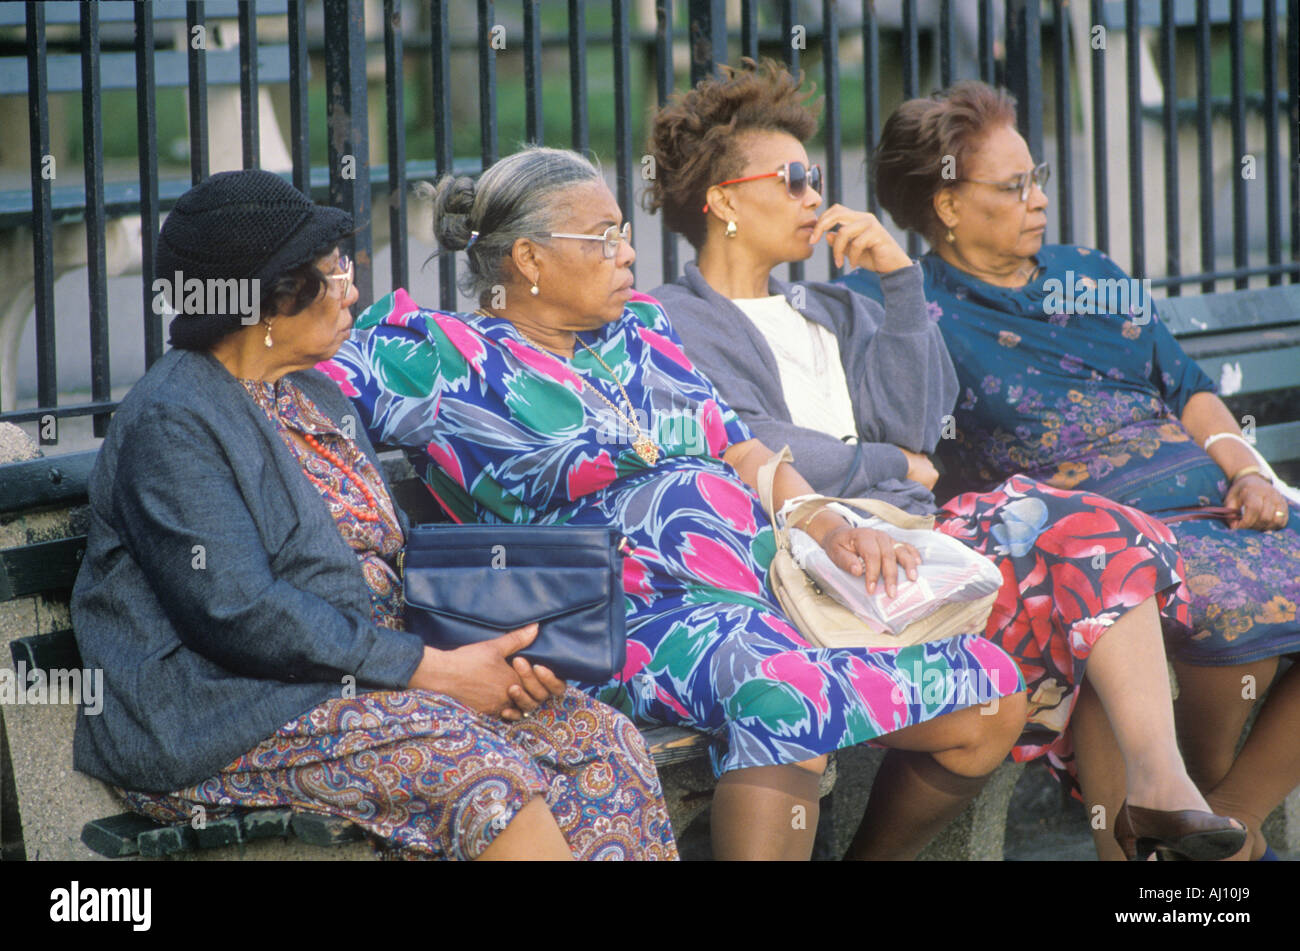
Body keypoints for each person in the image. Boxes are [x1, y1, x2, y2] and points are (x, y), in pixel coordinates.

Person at [322, 146, 1032, 861]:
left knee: (992, 691)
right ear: (530, 261)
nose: (628, 251)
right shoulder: (444, 357)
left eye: (624, 231)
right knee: (785, 696)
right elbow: (283, 379)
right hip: (623, 618)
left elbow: (742, 448)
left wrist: (821, 515)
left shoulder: (643, 331)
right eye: (604, 238)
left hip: (768, 592)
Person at [644, 59, 1247, 861]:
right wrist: (883, 462)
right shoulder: (675, 318)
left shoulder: (832, 305)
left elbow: (922, 424)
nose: (813, 196)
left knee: (1102, 540)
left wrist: (896, 282)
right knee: (1064, 588)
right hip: (805, 558)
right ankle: (1154, 812)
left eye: (814, 176)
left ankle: (1161, 790)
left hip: (917, 547)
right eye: (791, 179)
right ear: (722, 200)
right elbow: (746, 438)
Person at [70, 169, 678, 861]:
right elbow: (238, 612)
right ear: (267, 298)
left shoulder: (317, 396)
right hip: (227, 713)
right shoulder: (175, 419)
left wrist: (505, 653)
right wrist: (436, 671)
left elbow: (390, 566)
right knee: (480, 775)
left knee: (599, 743)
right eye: (332, 274)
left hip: (378, 683)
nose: (353, 288)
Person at [838, 79, 1300, 861]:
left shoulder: (1089, 273)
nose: (1039, 198)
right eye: (1013, 185)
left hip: (1220, 503)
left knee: (1244, 603)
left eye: (1037, 175)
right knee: (1225, 620)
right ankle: (1201, 832)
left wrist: (1248, 467)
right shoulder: (906, 310)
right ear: (947, 206)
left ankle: (1232, 818)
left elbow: (1185, 389)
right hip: (1089, 539)